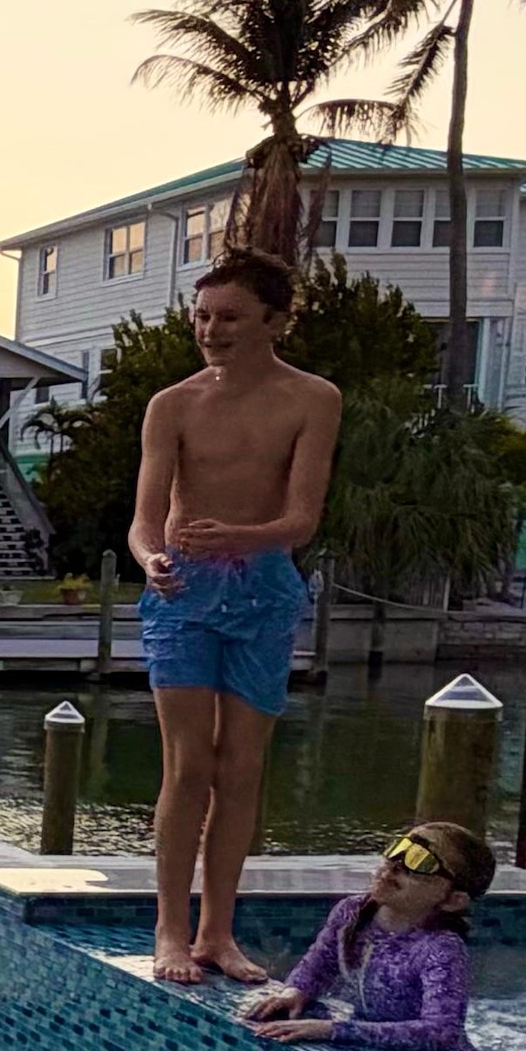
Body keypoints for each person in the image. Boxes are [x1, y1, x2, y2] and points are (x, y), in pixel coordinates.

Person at [129, 251, 343, 983]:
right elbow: (144, 521)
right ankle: (170, 929)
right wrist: (150, 559)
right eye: (202, 316)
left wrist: (243, 539)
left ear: (275, 322)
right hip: (183, 594)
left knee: (242, 767)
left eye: (229, 317)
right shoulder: (173, 405)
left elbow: (302, 519)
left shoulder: (313, 398)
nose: (211, 330)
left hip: (263, 590)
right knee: (189, 764)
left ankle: (218, 932)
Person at [241, 820, 490, 1051]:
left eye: (421, 861)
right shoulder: (352, 912)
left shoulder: (440, 948)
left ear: (452, 900)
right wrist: (294, 993)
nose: (395, 865)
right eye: (400, 847)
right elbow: (318, 965)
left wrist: (331, 1030)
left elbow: (441, 1034)